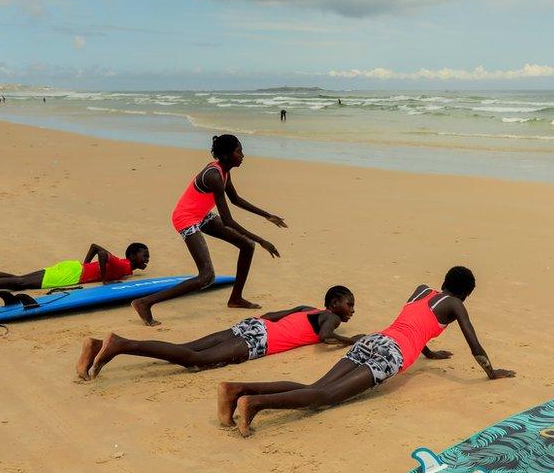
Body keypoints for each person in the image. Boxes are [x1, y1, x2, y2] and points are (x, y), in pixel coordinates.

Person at [217, 266, 515, 437]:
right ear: (466, 293)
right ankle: (255, 403)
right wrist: (491, 372)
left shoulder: (424, 290)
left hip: (373, 339)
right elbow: (474, 344)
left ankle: (237, 389)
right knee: (325, 397)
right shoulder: (456, 304)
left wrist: (429, 354)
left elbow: (415, 323)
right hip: (392, 353)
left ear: (444, 282)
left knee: (317, 387)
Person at [131, 134, 285, 326]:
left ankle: (235, 298)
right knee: (206, 276)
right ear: (227, 155)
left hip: (201, 214)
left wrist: (267, 215)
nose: (243, 155)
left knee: (247, 245)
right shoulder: (213, 175)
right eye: (239, 151)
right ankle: (145, 302)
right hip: (186, 218)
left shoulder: (224, 170)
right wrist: (262, 240)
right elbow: (228, 220)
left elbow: (235, 199)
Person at [77, 286, 360, 380]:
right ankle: (120, 344)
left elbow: (273, 315)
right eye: (350, 304)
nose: (351, 311)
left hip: (255, 325)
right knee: (194, 359)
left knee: (186, 347)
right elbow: (325, 337)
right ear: (334, 303)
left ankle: (100, 346)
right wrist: (351, 340)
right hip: (261, 340)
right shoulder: (330, 318)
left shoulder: (307, 307)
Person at [0, 243, 149, 296]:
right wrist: (104, 281)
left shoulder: (125, 265)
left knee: (18, 279)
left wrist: (85, 264)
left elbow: (94, 247)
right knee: (19, 284)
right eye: (144, 255)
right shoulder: (124, 264)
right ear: (132, 256)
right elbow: (101, 252)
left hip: (72, 267)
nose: (147, 259)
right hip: (72, 274)